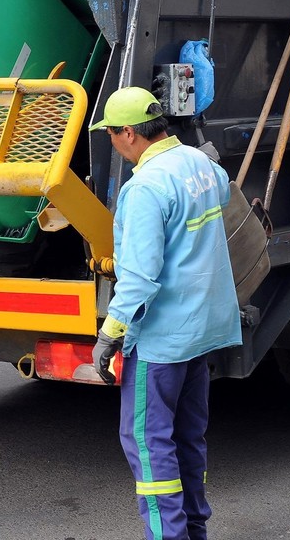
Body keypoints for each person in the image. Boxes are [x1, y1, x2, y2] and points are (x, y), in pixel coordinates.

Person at [88, 88, 242, 540]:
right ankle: (195, 530)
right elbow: (221, 187)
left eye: (112, 136)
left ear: (130, 134)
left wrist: (110, 333)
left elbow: (138, 278)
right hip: (201, 332)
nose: (112, 144)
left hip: (160, 341)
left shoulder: (145, 189)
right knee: (188, 438)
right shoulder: (202, 165)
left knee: (150, 447)